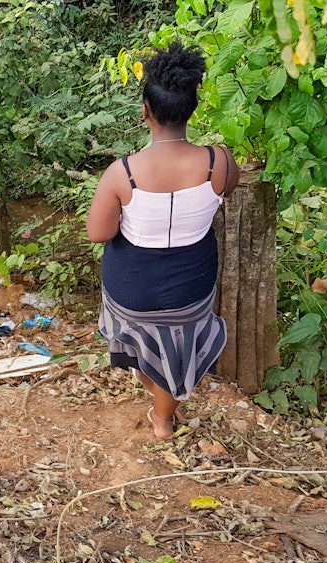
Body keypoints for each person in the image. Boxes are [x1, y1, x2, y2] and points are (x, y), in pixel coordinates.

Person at [86, 43, 238, 439]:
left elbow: (99, 233)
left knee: (146, 343)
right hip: (191, 287)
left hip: (132, 291)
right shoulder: (219, 162)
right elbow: (226, 192)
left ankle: (157, 401)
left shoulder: (122, 173)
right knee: (178, 343)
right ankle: (164, 415)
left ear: (145, 112)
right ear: (192, 108)